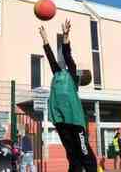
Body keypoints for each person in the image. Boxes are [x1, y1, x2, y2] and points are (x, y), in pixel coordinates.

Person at [40, 19, 97, 172]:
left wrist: (66, 36)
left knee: (84, 152)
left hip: (75, 119)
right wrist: (45, 39)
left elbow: (67, 54)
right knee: (72, 154)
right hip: (60, 119)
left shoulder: (71, 75)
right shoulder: (57, 73)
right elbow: (51, 57)